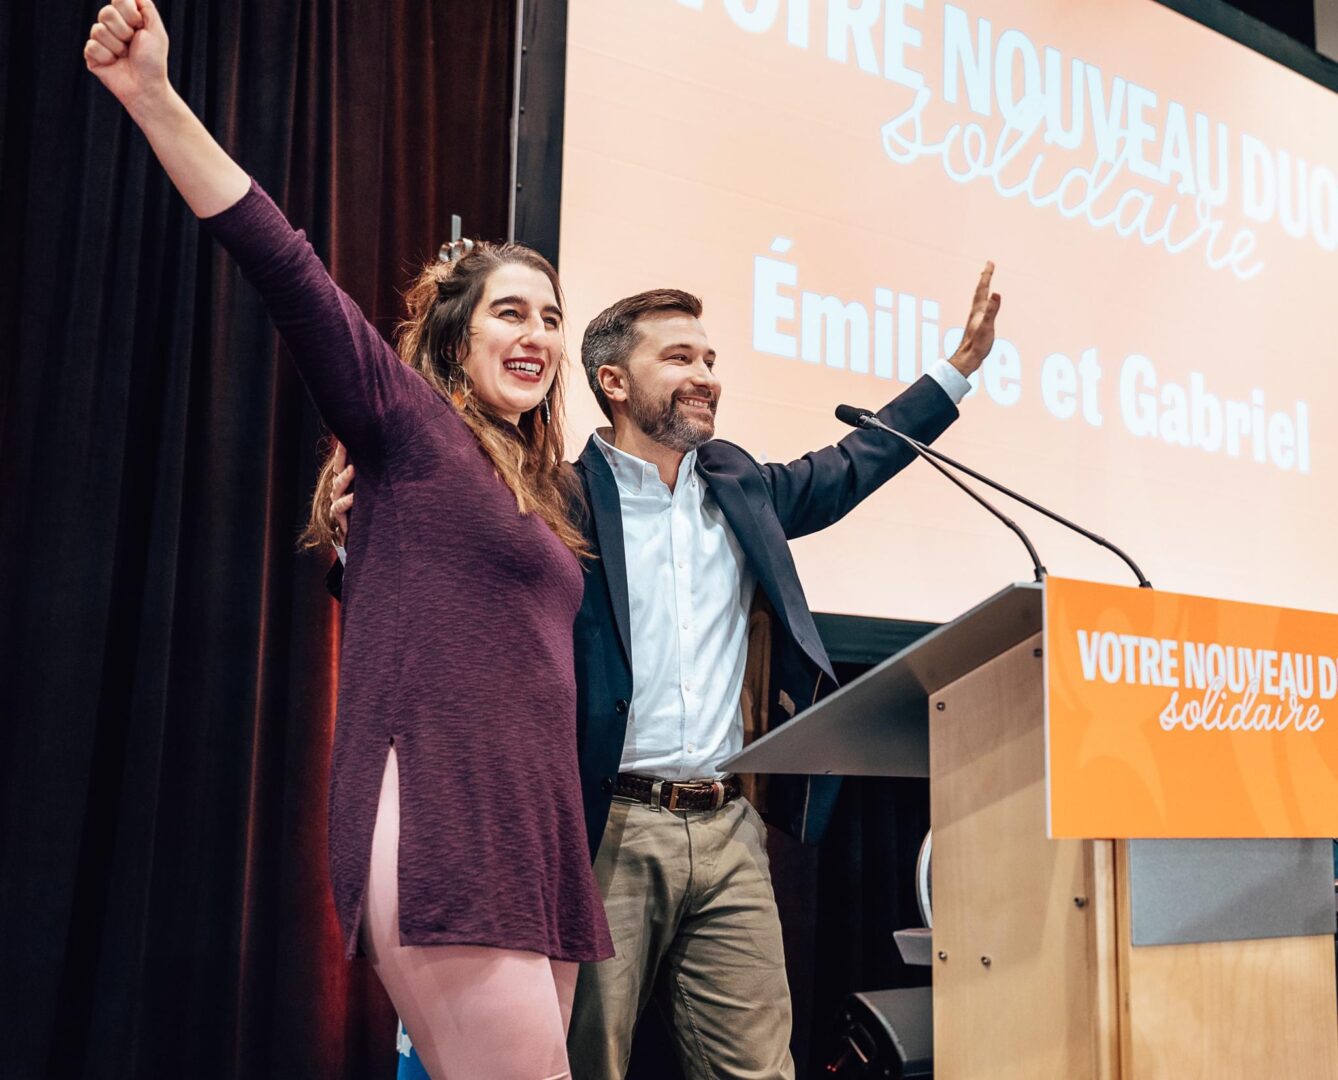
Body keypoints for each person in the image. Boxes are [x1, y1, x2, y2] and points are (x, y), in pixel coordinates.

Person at [84, 3, 611, 1078]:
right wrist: (154, 96)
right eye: (514, 313)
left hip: (536, 825)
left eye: (552, 318)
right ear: (458, 334)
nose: (540, 336)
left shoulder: (548, 494)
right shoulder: (408, 430)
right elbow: (285, 266)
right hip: (443, 810)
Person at [335, 274, 1000, 1077]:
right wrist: (355, 542)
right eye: (679, 356)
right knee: (584, 1061)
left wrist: (956, 370)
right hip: (606, 828)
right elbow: (443, 577)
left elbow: (854, 463)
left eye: (710, 357)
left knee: (759, 1068)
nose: (706, 375)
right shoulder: (555, 498)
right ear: (613, 382)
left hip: (728, 831)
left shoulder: (741, 488)